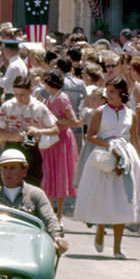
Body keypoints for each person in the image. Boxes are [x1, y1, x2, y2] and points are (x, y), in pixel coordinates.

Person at [74, 75, 140, 259]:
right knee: (103, 196)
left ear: (122, 92)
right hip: (105, 156)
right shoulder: (99, 112)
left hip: (126, 157)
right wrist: (110, 145)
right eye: (107, 91)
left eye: (112, 92)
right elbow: (90, 136)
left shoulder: (132, 114)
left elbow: (136, 140)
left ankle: (117, 247)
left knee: (122, 199)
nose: (109, 95)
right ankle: (100, 228)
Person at [0, 148, 69, 254]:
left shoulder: (36, 194)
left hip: (28, 249)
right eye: (4, 168)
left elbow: (49, 219)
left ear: (24, 171)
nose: (7, 173)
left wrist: (57, 237)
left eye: (12, 168)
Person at [40, 70, 81, 223]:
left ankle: (59, 214)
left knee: (60, 175)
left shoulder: (62, 99)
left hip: (62, 140)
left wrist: (56, 120)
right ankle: (51, 213)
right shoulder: (49, 98)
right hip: (51, 139)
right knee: (49, 175)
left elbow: (74, 121)